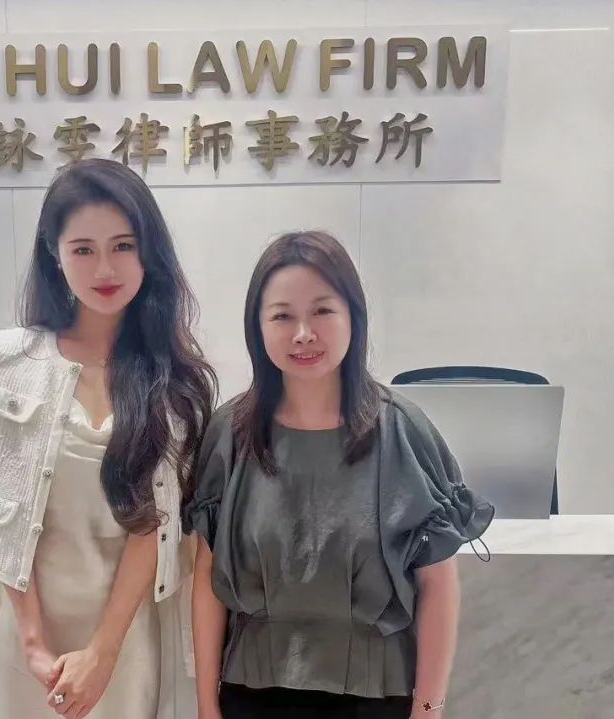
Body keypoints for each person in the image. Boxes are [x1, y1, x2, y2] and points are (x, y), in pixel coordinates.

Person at [0, 158, 217, 719]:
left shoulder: (174, 379)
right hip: (25, 640)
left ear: (149, 252)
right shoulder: (8, 361)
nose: (104, 267)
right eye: (83, 249)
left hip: (125, 639)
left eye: (123, 246)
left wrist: (102, 654)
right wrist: (33, 644)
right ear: (54, 254)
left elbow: (156, 527)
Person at [184, 231, 494, 719]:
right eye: (282, 316)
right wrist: (206, 704)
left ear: (354, 317)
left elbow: (438, 584)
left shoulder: (403, 431)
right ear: (257, 328)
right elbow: (208, 578)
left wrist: (429, 708)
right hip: (251, 694)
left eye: (322, 311)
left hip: (377, 698)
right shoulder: (229, 433)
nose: (303, 333)